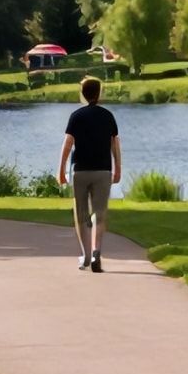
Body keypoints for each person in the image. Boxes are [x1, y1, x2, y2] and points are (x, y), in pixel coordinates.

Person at [57, 77, 121, 273]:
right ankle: (96, 252)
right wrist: (118, 168)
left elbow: (67, 144)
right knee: (99, 214)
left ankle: (85, 256)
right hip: (103, 170)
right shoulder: (108, 116)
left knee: (81, 214)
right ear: (99, 93)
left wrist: (60, 170)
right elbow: (114, 144)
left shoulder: (76, 116)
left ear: (82, 94)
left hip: (81, 170)